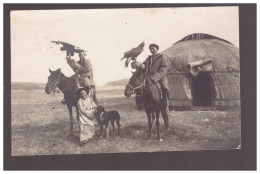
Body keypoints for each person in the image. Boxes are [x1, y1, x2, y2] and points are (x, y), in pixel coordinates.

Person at [132, 43, 170, 129]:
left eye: (153, 48)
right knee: (141, 88)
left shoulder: (162, 57)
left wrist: (154, 78)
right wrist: (138, 64)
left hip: (160, 78)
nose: (151, 50)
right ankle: (141, 103)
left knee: (165, 87)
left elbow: (163, 69)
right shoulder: (149, 58)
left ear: (157, 49)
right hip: (149, 79)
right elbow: (144, 66)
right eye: (150, 49)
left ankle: (165, 104)